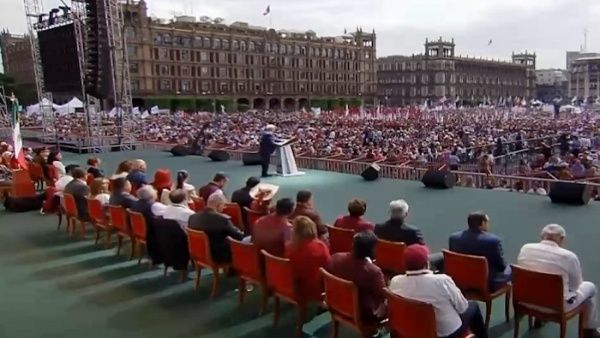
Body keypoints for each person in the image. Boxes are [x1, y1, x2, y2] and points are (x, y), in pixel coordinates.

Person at [517, 224, 600, 337]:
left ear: (542, 237)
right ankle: (589, 329)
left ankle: (539, 317)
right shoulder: (569, 257)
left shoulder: (525, 248)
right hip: (556, 306)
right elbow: (576, 285)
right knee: (590, 288)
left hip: (526, 301)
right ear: (561, 239)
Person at [390, 244, 488, 338]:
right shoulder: (442, 281)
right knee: (473, 307)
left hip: (411, 331)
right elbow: (462, 307)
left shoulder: (395, 282)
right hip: (446, 334)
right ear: (426, 263)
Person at [326, 231, 387, 321]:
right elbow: (383, 294)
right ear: (371, 250)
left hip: (337, 305)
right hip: (363, 313)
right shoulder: (373, 272)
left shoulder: (335, 258)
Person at [448, 212, 511, 290]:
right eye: (487, 222)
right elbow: (502, 266)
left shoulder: (454, 238)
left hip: (460, 280)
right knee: (512, 270)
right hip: (485, 284)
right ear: (483, 223)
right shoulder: (493, 241)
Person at [188, 192, 244, 264]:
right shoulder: (222, 219)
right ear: (218, 205)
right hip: (218, 256)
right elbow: (239, 237)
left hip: (198, 253)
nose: (224, 208)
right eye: (223, 205)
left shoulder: (193, 217)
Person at [285, 216, 330, 301]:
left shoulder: (290, 249)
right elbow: (328, 267)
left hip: (296, 288)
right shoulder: (321, 246)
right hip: (317, 289)